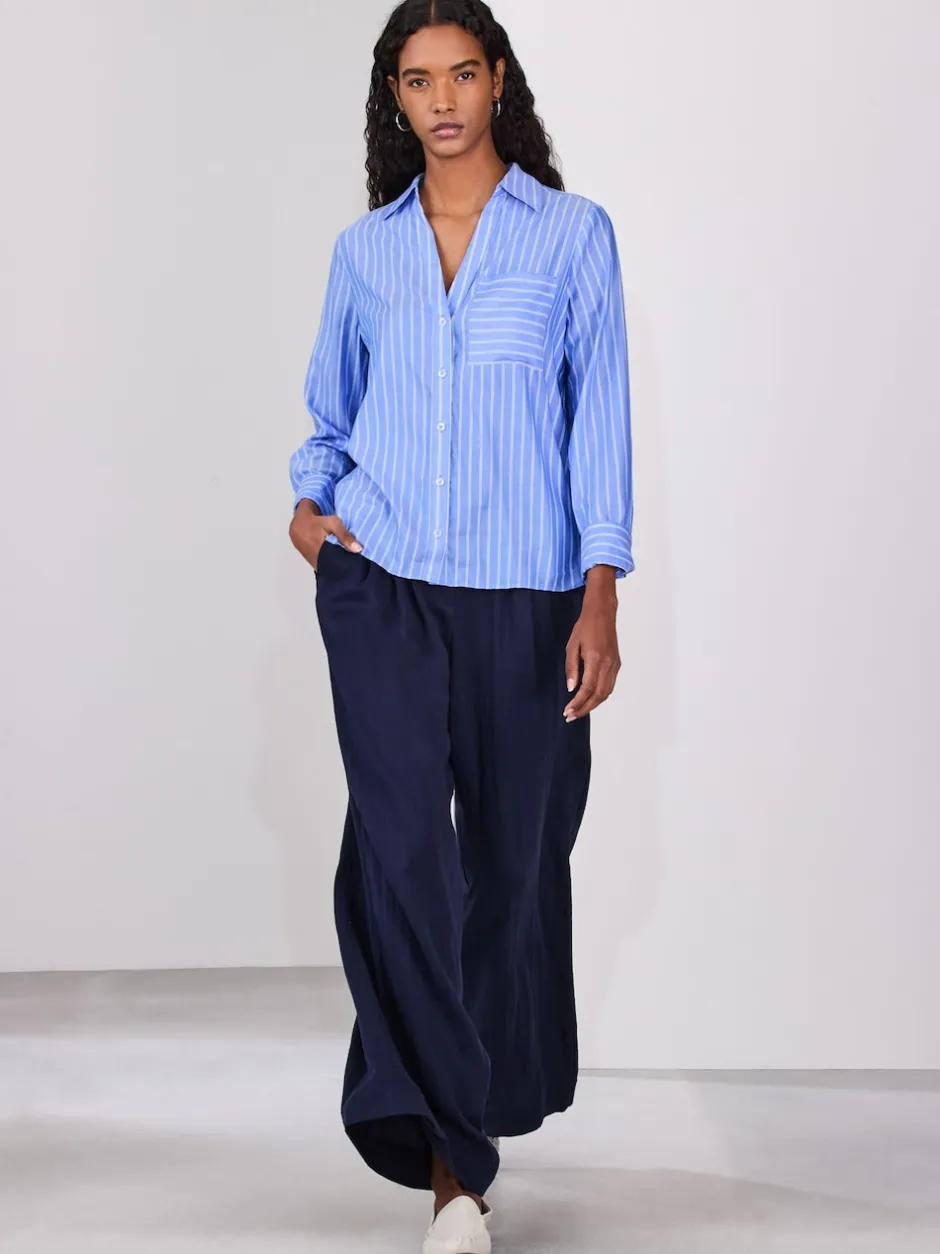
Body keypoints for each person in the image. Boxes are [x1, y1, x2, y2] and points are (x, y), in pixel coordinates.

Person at [288, 3, 633, 1250]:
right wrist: (310, 515)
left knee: (510, 868)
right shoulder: (364, 252)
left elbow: (600, 424)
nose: (441, 101)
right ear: (395, 97)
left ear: (497, 85)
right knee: (399, 865)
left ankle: (470, 1125)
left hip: (526, 600)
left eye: (462, 75)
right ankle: (450, 1169)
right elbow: (329, 415)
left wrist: (600, 592)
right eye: (417, 80)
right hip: (383, 589)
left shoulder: (570, 237)